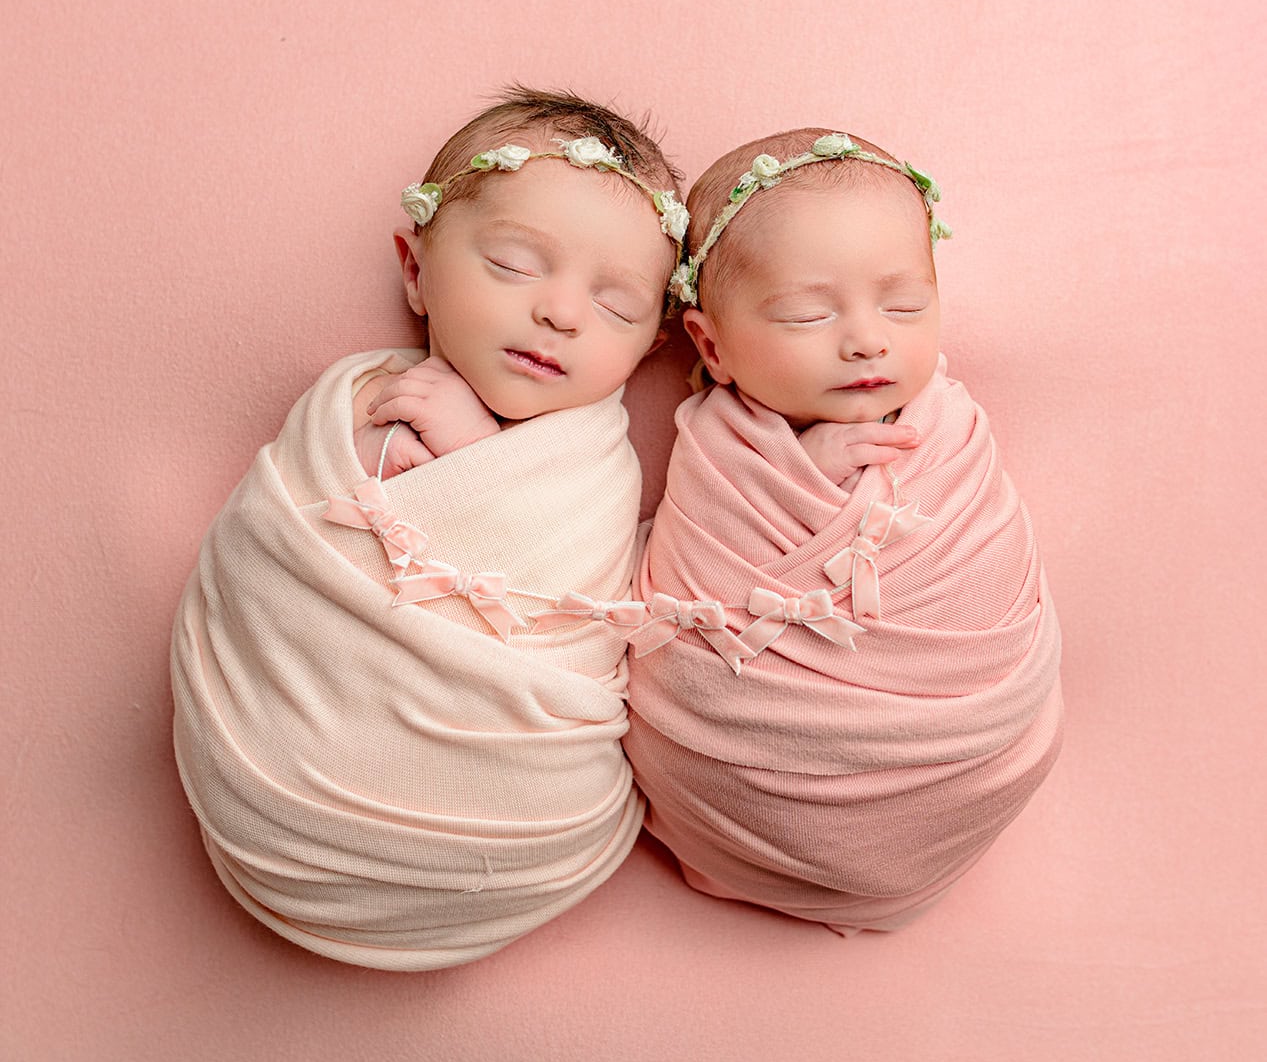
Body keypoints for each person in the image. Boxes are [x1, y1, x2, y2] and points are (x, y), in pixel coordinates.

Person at [172, 88, 688, 968]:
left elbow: (570, 602)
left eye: (616, 306)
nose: (561, 314)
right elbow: (288, 544)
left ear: (653, 345)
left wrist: (476, 458)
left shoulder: (598, 468)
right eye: (515, 266)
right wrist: (408, 454)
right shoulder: (360, 399)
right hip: (291, 788)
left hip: (518, 826)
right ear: (414, 267)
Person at [624, 127, 1063, 934]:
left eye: (905, 305)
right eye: (806, 313)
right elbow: (692, 591)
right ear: (711, 345)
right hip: (749, 767)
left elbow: (986, 569)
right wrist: (803, 471)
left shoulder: (950, 432)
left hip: (960, 751)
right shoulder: (718, 453)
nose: (867, 339)